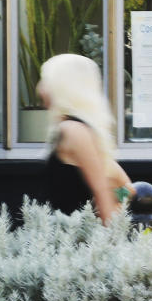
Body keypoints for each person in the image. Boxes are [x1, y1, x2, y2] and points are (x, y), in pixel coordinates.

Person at [37, 52, 129, 225]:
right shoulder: (75, 129)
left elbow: (114, 191)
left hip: (71, 241)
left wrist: (104, 205)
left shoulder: (73, 130)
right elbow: (127, 189)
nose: (40, 88)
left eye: (45, 80)